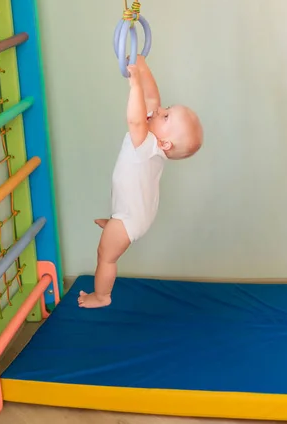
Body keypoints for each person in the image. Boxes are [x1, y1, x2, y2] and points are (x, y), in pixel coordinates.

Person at [78, 55, 203, 308]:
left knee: (106, 256)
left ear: (165, 142)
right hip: (139, 214)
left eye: (165, 116)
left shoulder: (146, 143)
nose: (159, 110)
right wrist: (143, 66)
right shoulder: (155, 140)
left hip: (130, 220)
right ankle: (115, 225)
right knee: (120, 216)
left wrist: (135, 85)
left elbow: (135, 119)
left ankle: (102, 296)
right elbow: (153, 99)